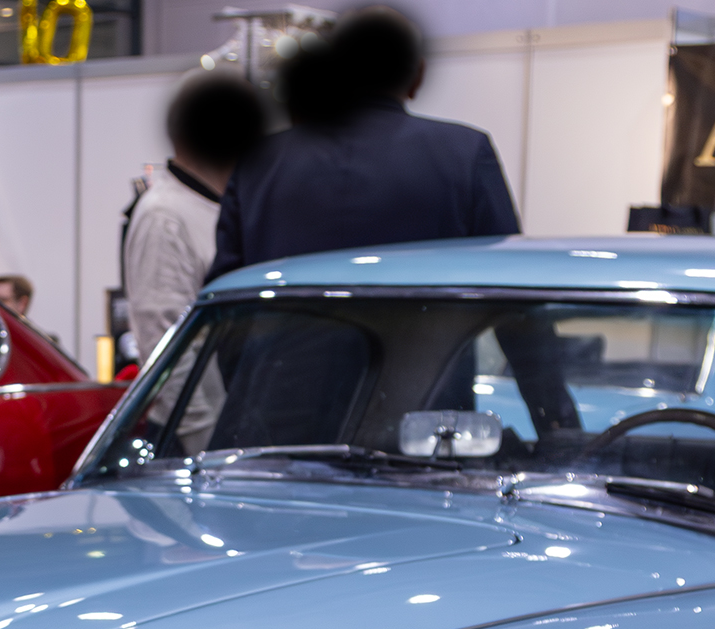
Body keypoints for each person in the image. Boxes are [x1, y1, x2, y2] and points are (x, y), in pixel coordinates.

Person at [208, 8, 518, 280]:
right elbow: (510, 283)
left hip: (279, 348)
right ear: (417, 76)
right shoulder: (467, 153)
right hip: (426, 348)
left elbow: (222, 294)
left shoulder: (258, 162)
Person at [122, 74, 271, 364]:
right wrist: (202, 412)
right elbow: (164, 342)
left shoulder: (226, 206)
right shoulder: (164, 217)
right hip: (208, 407)